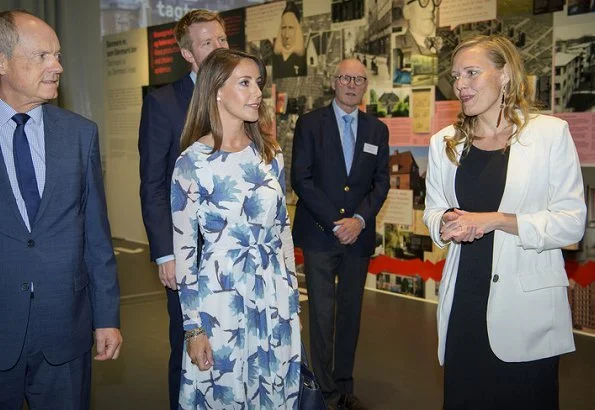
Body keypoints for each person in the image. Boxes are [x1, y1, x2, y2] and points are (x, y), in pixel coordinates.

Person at [423, 35, 586, 410]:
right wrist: (445, 219)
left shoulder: (549, 134)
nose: (460, 84)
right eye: (456, 75)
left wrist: (496, 220)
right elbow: (433, 211)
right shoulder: (443, 142)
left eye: (472, 73)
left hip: (527, 307)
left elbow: (571, 223)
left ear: (506, 74)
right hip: (465, 300)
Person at [0, 10, 122, 409]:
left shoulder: (79, 134)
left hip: (65, 330)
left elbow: (96, 237)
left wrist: (106, 317)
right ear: (2, 61)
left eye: (59, 55)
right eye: (42, 56)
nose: (58, 67)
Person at [171, 48, 300, 409]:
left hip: (273, 298)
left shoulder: (270, 155)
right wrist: (193, 329)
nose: (257, 92)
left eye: (258, 83)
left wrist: (292, 304)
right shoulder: (191, 163)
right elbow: (185, 254)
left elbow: (283, 231)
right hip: (221, 301)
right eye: (244, 83)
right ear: (216, 91)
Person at [138, 9, 228, 409]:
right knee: (190, 346)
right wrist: (165, 253)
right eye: (208, 43)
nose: (220, 48)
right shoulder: (162, 103)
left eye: (222, 40)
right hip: (188, 253)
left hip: (234, 252)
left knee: (233, 347)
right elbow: (154, 184)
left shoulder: (243, 96)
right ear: (187, 53)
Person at [291, 58, 389, 410]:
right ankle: (323, 389)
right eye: (346, 78)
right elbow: (300, 179)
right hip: (320, 234)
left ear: (365, 86)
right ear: (334, 82)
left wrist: (359, 220)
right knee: (321, 315)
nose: (352, 84)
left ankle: (344, 389)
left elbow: (381, 183)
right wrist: (338, 222)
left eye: (359, 79)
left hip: (358, 237)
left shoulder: (377, 130)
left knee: (350, 314)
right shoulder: (309, 124)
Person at [272, 2, 307, 79]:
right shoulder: (274, 56)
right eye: (284, 27)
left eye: (291, 27)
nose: (286, 35)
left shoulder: (304, 57)